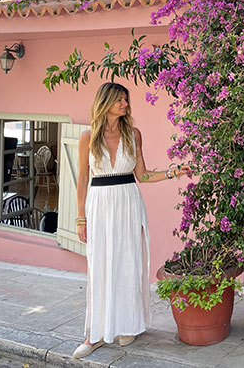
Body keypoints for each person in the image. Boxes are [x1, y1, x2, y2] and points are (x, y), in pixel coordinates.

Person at [72, 82, 191, 359]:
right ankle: (96, 333)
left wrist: (175, 172)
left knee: (128, 261)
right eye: (120, 100)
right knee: (100, 266)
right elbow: (81, 180)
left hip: (128, 203)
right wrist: (81, 218)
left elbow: (143, 175)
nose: (125, 104)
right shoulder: (87, 137)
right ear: (106, 103)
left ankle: (127, 324)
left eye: (126, 100)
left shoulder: (133, 134)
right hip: (100, 204)